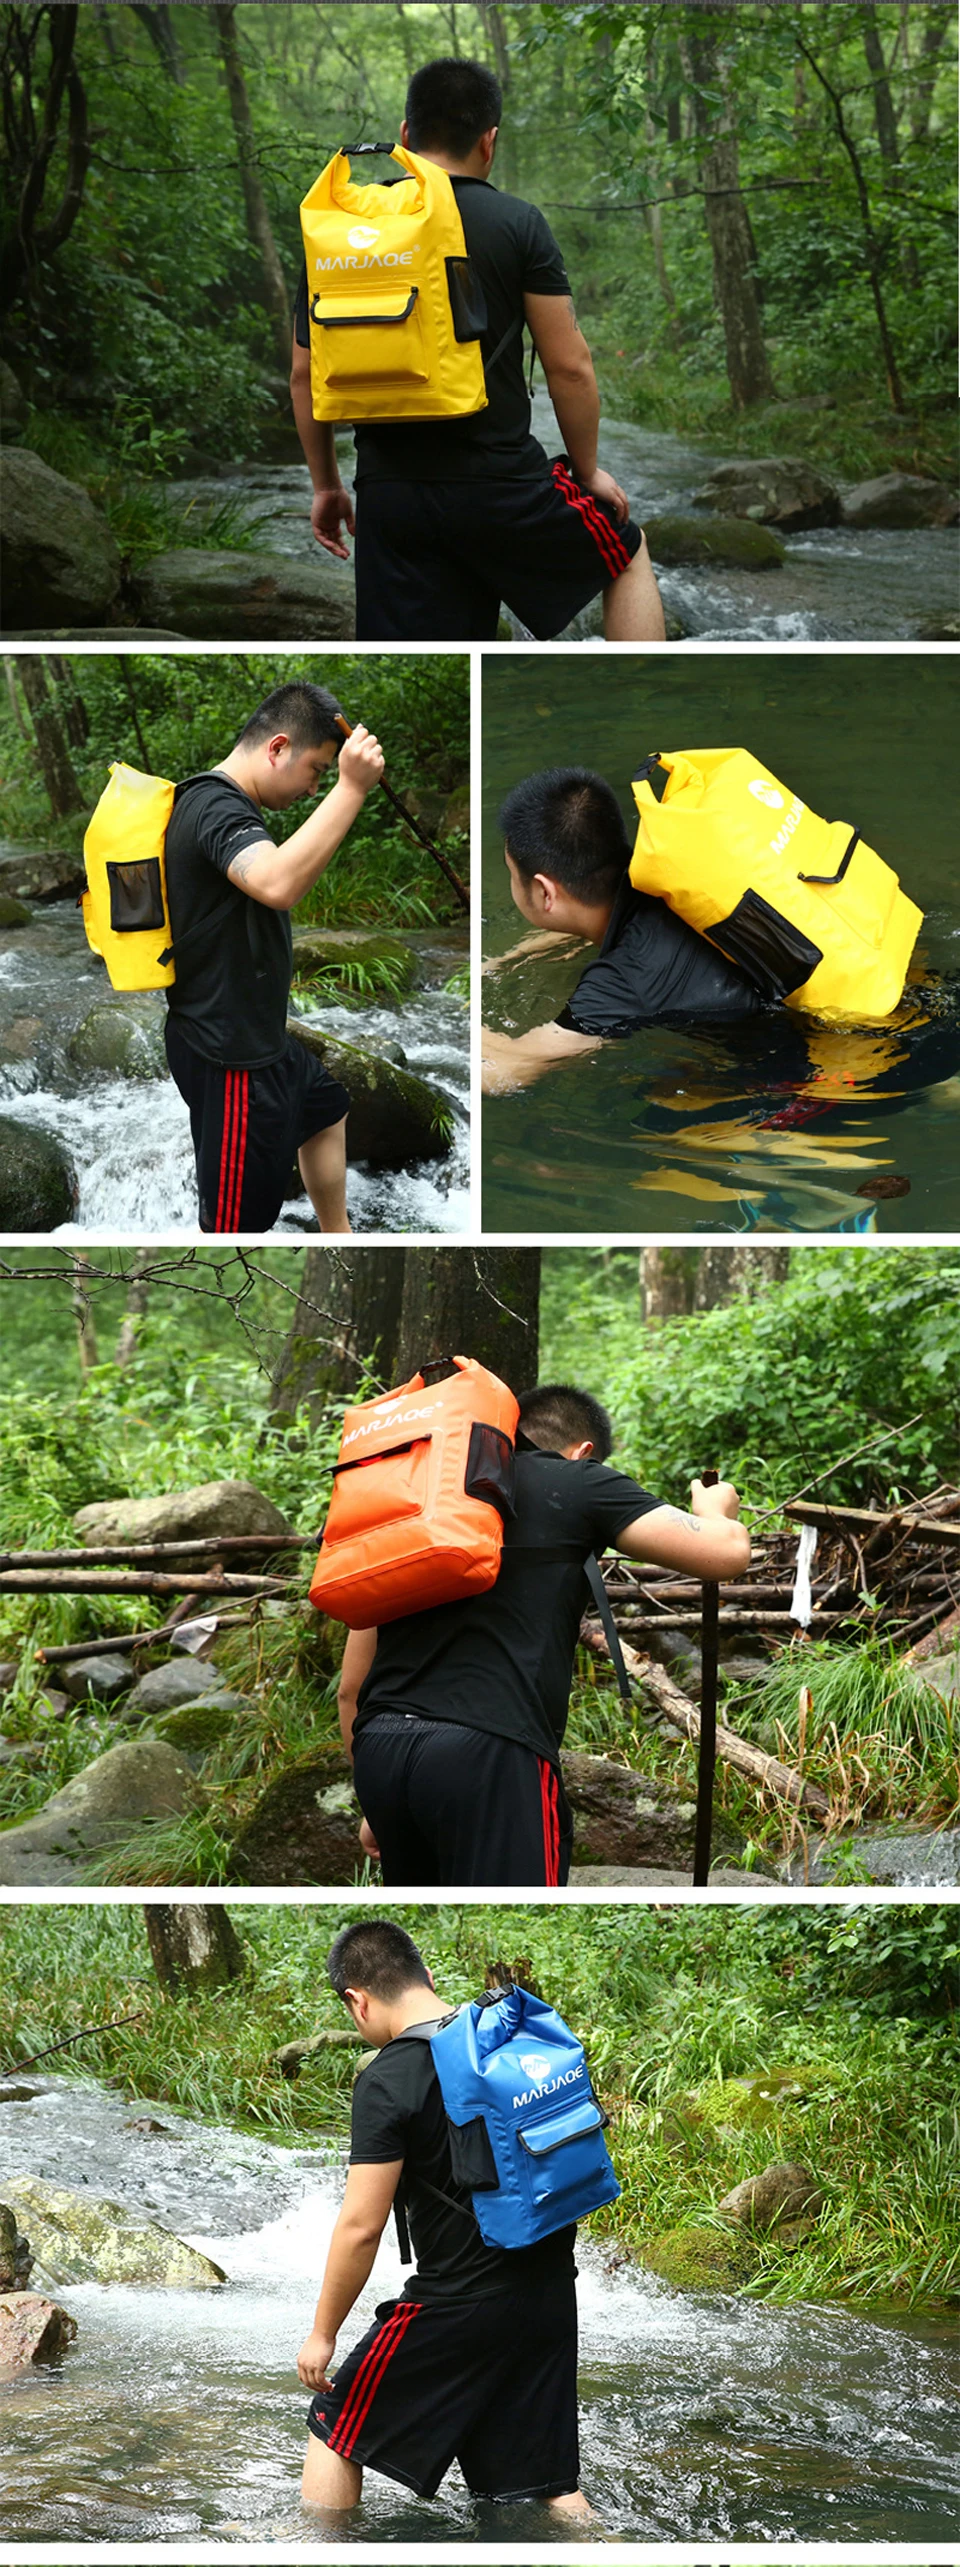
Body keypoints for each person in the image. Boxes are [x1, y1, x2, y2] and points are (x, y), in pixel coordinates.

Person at [291, 57, 665, 645]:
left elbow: (304, 374)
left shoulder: (343, 231)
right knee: (626, 552)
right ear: (489, 142)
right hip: (501, 489)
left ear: (406, 137)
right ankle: (643, 704)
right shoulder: (516, 221)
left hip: (389, 497)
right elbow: (569, 366)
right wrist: (586, 471)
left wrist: (325, 486)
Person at [335, 1380, 750, 1886]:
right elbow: (724, 1553)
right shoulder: (576, 1481)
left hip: (383, 1752)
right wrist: (715, 1508)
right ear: (584, 1452)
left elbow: (351, 1689)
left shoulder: (422, 1504)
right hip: (490, 1751)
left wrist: (376, 1800)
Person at [297, 1918, 597, 2522]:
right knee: (546, 2487)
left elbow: (361, 2224)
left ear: (356, 2001)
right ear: (427, 1976)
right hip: (548, 2293)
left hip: (458, 2302)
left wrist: (323, 2334)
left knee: (335, 2428)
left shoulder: (388, 2079)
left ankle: (317, 2554)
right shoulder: (507, 2041)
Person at [163, 681, 384, 1234]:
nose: (316, 786)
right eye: (316, 769)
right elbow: (277, 882)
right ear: (278, 747)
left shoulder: (218, 801)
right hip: (230, 1058)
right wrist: (351, 787)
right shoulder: (214, 804)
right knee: (235, 1226)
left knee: (326, 1106)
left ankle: (340, 1234)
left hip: (257, 1043)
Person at [482, 764, 764, 1094]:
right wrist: (506, 959)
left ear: (545, 892)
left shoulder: (621, 982)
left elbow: (505, 1074)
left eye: (512, 874)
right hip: (781, 985)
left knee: (657, 1115)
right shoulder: (664, 876)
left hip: (791, 1069)